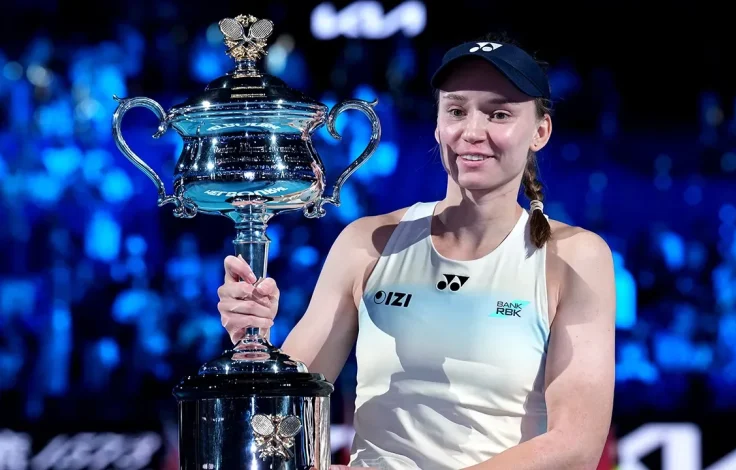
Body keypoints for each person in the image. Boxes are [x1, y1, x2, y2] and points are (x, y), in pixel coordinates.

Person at [217, 32, 616, 470]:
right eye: (457, 110)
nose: (472, 131)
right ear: (438, 123)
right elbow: (280, 416)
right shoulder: (367, 244)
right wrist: (253, 346)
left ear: (540, 131)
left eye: (498, 113)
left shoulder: (575, 257)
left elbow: (575, 447)